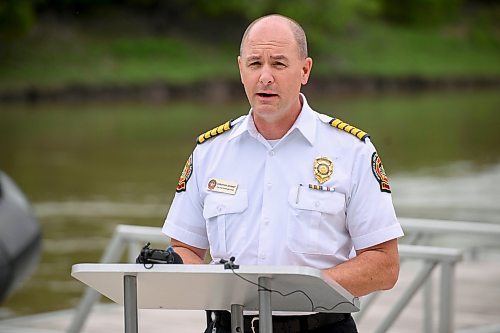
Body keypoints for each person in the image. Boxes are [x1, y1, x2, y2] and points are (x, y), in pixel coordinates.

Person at [162, 14, 403, 333]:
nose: (265, 77)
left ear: (304, 70)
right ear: (240, 69)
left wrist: (298, 292)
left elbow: (384, 264)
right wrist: (229, 292)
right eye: (254, 63)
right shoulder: (210, 151)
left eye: (278, 64)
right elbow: (185, 249)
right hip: (229, 326)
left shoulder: (352, 150)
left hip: (319, 327)